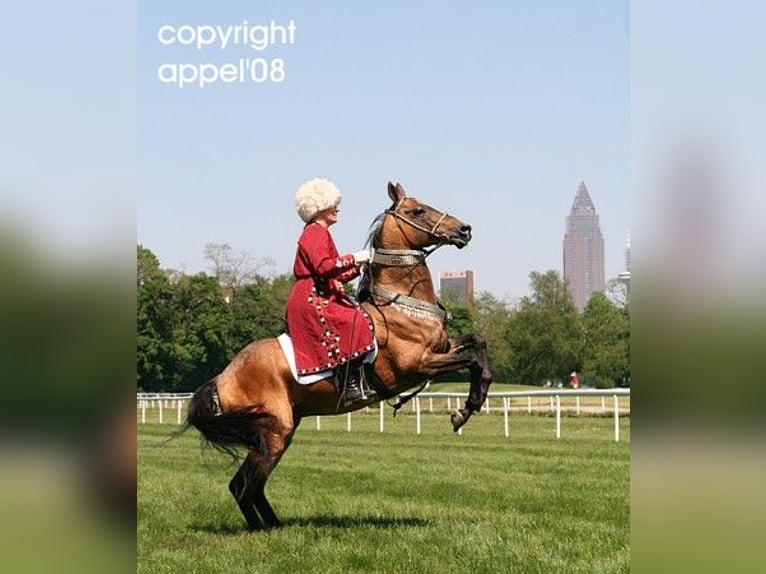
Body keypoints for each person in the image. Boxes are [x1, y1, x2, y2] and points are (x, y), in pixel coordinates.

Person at [285, 178, 375, 404]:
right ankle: (349, 385)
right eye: (332, 204)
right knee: (353, 320)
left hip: (320, 291)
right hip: (311, 296)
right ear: (319, 208)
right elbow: (324, 266)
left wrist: (359, 267)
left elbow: (335, 273)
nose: (337, 209)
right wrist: (354, 257)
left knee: (355, 316)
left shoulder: (320, 232)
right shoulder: (314, 232)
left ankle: (352, 380)